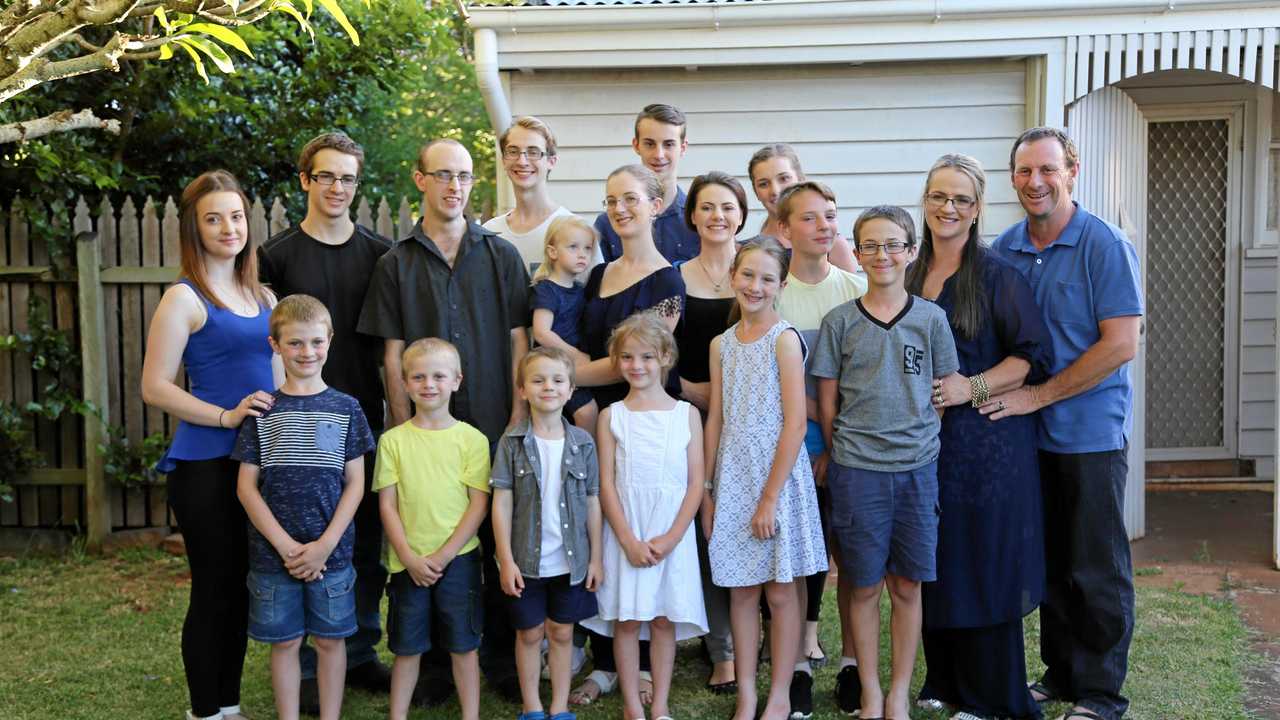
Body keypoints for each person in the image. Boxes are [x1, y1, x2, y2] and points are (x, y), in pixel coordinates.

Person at [357, 138, 530, 702]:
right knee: (429, 539)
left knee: (496, 538)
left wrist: (516, 414)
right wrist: (407, 427)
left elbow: (517, 340)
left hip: (491, 422)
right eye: (443, 175)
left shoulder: (500, 256)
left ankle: (501, 658)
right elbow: (392, 351)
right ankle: (432, 666)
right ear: (419, 180)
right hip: (425, 432)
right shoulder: (395, 262)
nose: (454, 186)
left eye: (463, 175)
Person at [982, 127, 1143, 720]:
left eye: (1047, 169)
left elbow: (1120, 345)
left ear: (1071, 171)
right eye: (1024, 171)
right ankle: (1061, 673)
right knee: (1047, 562)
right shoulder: (1005, 248)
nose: (1035, 182)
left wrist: (1039, 395)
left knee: (1094, 565)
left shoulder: (1102, 244)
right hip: (1027, 436)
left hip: (1089, 433)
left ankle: (1102, 692)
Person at [905, 153, 1054, 720]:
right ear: (925, 201)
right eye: (939, 196)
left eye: (961, 200)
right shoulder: (909, 271)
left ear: (976, 210)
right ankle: (945, 679)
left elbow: (1031, 357)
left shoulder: (997, 276)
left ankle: (993, 696)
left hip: (985, 444)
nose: (948, 208)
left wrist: (973, 386)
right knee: (937, 559)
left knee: (982, 562)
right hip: (923, 446)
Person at [258, 131, 393, 707]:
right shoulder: (276, 255)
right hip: (296, 422)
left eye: (347, 178)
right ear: (305, 181)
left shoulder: (380, 252)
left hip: (362, 417)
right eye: (326, 176)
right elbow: (263, 343)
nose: (337, 187)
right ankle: (309, 663)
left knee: (363, 541)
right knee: (309, 537)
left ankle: (358, 650)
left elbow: (391, 342)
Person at [812, 205, 960, 720]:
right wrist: (840, 451)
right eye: (870, 245)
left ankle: (899, 693)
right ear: (856, 252)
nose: (882, 254)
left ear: (911, 252)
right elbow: (827, 402)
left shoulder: (930, 319)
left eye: (893, 244)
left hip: (917, 470)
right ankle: (870, 691)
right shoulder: (839, 323)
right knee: (864, 583)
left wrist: (919, 440)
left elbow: (942, 391)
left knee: (907, 584)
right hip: (857, 471)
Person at [142, 169, 279, 720]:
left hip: (260, 466)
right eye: (214, 218)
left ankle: (229, 704)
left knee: (243, 589)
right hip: (205, 466)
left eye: (236, 216)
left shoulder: (265, 295)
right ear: (195, 229)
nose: (228, 227)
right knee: (214, 588)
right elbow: (154, 387)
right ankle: (206, 711)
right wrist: (226, 416)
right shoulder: (184, 297)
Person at [570, 163, 686, 707]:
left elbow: (629, 362)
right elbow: (586, 343)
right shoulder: (597, 274)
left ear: (656, 204)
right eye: (611, 200)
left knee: (642, 526)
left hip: (643, 419)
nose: (619, 210)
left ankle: (644, 670)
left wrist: (557, 374)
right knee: (603, 530)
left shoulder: (669, 282)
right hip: (596, 420)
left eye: (631, 200)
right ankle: (605, 662)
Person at [233, 295, 375, 720]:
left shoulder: (347, 408)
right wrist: (285, 546)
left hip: (332, 557)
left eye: (316, 342)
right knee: (287, 642)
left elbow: (356, 484)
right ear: (275, 345)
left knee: (331, 641)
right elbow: (246, 488)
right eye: (295, 343)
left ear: (329, 341)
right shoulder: (262, 410)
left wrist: (323, 547)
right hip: (272, 557)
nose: (307, 352)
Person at [704, 237, 828, 720]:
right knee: (741, 589)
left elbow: (796, 423)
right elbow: (716, 418)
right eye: (747, 275)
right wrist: (709, 491)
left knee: (779, 590)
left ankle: (780, 693)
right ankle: (747, 694)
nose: (755, 286)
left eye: (767, 278)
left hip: (776, 477)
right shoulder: (721, 344)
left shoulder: (784, 338)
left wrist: (770, 498)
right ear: (733, 275)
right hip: (732, 475)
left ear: (781, 285)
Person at [581, 313, 708, 720]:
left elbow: (695, 484)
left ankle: (661, 704)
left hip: (672, 532)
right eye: (628, 357)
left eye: (647, 357)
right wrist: (628, 541)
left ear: (666, 357)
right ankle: (633, 707)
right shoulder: (611, 416)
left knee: (663, 619)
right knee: (627, 619)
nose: (637, 366)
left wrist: (671, 538)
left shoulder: (685, 414)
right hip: (627, 531)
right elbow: (606, 485)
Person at [772, 181, 867, 716]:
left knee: (852, 557)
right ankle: (799, 667)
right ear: (784, 230)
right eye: (809, 218)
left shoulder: (855, 289)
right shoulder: (772, 294)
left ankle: (853, 664)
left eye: (830, 216)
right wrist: (812, 433)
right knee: (800, 562)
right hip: (792, 450)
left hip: (849, 448)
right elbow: (768, 380)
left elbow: (860, 379)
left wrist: (834, 441)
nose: (824, 226)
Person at [375, 338, 492, 720]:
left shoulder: (472, 440)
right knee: (407, 646)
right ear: (406, 383)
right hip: (407, 561)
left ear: (456, 380)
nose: (429, 384)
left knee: (463, 643)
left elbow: (478, 504)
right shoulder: (392, 441)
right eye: (419, 377)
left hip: (457, 559)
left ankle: (470, 714)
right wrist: (409, 556)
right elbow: (387, 506)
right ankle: (398, 715)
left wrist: (443, 555)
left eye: (438, 376)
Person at [492, 347, 605, 720]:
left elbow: (592, 502)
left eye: (557, 380)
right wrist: (505, 559)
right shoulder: (511, 442)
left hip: (570, 561)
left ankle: (558, 708)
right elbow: (502, 503)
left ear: (571, 389)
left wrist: (597, 559)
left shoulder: (583, 444)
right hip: (525, 560)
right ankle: (532, 708)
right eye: (537, 380)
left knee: (561, 633)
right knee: (528, 634)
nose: (548, 387)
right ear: (522, 389)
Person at [673, 171, 744, 696]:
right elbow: (654, 352)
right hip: (693, 418)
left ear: (741, 214)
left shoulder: (759, 272)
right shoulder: (674, 280)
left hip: (753, 422)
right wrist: (695, 392)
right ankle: (721, 649)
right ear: (692, 216)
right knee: (709, 527)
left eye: (728, 206)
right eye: (707, 207)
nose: (718, 216)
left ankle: (753, 633)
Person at [484, 116, 601, 274]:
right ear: (504, 160)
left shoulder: (576, 231)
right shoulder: (491, 232)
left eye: (533, 152)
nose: (522, 161)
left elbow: (597, 294)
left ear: (551, 161)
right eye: (513, 151)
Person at [594, 104, 700, 264]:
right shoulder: (609, 224)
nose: (659, 154)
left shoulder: (698, 221)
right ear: (636, 145)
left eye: (669, 144)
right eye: (650, 144)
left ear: (683, 148)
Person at [530, 215, 601, 437]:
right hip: (553, 365)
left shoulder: (581, 289)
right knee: (587, 412)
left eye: (588, 249)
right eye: (573, 247)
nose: (582, 254)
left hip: (575, 367)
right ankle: (581, 459)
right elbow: (541, 332)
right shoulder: (547, 289)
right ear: (553, 252)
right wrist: (575, 355)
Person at [745, 144, 857, 273]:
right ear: (755, 191)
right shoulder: (747, 249)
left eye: (783, 178)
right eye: (764, 184)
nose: (775, 190)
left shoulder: (832, 245)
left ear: (800, 180)